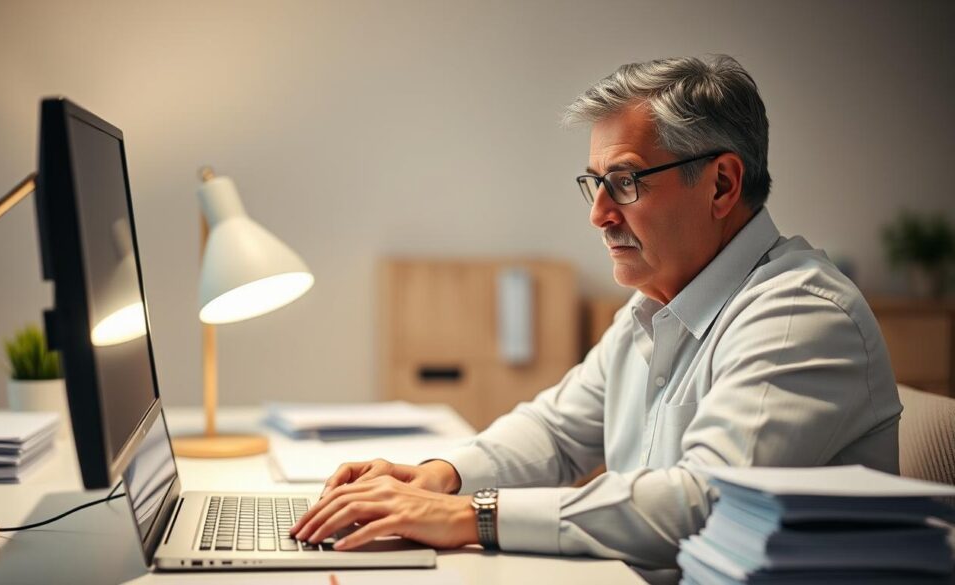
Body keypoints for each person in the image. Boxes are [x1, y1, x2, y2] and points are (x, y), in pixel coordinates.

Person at [290, 54, 902, 569]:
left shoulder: (799, 315)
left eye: (626, 182)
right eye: (595, 182)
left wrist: (473, 516)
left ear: (721, 184)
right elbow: (555, 432)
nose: (599, 213)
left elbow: (702, 502)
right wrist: (440, 476)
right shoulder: (654, 307)